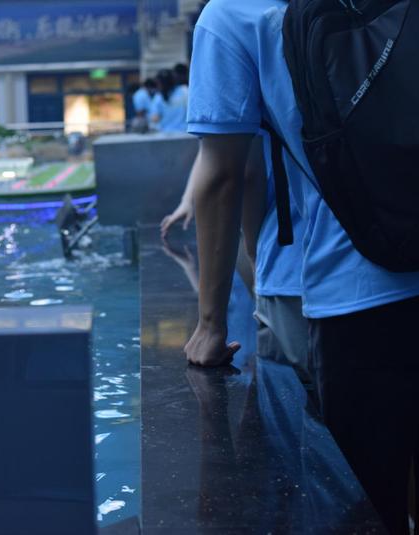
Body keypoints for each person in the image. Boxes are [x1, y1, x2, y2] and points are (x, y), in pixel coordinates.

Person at [185, 1, 419, 533]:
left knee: (363, 505)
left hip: (356, 294)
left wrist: (211, 325)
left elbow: (226, 174)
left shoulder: (232, 13)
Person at [162, 135, 309, 375]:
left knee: (290, 381)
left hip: (286, 259)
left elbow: (231, 161)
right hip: (352, 249)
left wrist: (209, 326)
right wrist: (188, 200)